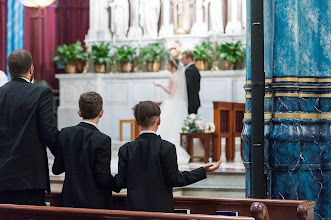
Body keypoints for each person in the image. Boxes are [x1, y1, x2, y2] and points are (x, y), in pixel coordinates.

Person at [113, 101, 222, 213]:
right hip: (161, 212)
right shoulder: (167, 148)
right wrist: (202, 171)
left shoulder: (126, 149)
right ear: (159, 121)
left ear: (136, 122)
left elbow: (119, 182)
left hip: (134, 212)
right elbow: (175, 179)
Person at [0, 49, 58, 206]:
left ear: (9, 70)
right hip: (30, 178)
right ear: (31, 69)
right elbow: (49, 133)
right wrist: (62, 159)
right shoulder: (41, 93)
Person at [52, 92, 116, 209]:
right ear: (101, 113)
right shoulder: (103, 140)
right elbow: (102, 178)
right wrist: (118, 183)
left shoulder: (65, 133)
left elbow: (57, 169)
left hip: (69, 201)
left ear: (79, 112)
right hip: (96, 204)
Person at [154, 57, 190, 164]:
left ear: (172, 66)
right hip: (181, 104)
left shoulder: (172, 76)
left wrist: (161, 85)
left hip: (172, 103)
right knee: (177, 126)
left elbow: (171, 92)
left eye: (168, 65)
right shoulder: (180, 75)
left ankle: (162, 151)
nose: (167, 67)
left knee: (168, 126)